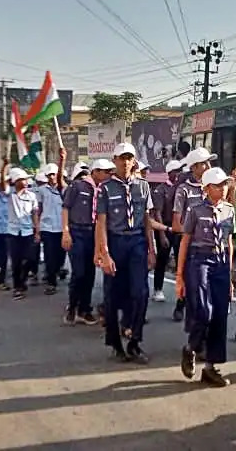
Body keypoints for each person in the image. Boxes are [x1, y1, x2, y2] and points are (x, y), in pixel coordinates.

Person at [96, 142, 156, 364]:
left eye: (129, 158)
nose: (125, 162)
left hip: (137, 242)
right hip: (116, 242)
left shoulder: (143, 186)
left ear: (134, 160)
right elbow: (101, 223)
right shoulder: (105, 189)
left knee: (141, 293)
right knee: (112, 297)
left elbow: (148, 221)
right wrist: (104, 253)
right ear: (114, 160)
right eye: (121, 158)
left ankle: (135, 342)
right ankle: (114, 343)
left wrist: (152, 249)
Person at [176, 166, 235, 387]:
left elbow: (228, 242)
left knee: (220, 314)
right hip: (199, 261)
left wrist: (229, 278)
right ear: (208, 188)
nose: (223, 188)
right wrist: (180, 276)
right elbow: (185, 241)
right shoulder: (195, 210)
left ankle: (211, 367)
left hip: (220, 263)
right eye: (219, 185)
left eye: (224, 184)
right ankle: (191, 348)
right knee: (203, 310)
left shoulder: (229, 210)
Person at [62, 159, 112, 325]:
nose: (108, 175)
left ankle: (85, 309)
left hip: (94, 233)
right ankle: (72, 307)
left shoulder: (103, 190)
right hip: (77, 232)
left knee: (90, 273)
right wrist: (66, 232)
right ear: (96, 171)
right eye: (105, 172)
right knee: (79, 272)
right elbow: (66, 208)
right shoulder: (78, 186)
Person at [172, 147, 217, 322]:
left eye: (208, 162)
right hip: (188, 242)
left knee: (204, 289)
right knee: (187, 280)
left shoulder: (213, 187)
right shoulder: (184, 190)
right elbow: (177, 221)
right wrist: (190, 233)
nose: (208, 166)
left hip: (208, 245)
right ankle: (181, 305)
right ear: (194, 167)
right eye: (204, 163)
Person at [5, 166, 40, 300]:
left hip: (27, 231)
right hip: (13, 232)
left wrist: (37, 231)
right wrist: (5, 166)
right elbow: (3, 185)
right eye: (22, 179)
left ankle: (23, 280)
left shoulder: (31, 195)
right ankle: (17, 287)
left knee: (30, 258)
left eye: (26, 179)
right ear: (15, 181)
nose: (25, 182)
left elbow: (35, 214)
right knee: (16, 261)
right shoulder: (10, 194)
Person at [151, 159, 184, 303]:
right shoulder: (161, 189)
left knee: (181, 260)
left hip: (180, 228)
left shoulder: (182, 188)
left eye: (179, 171)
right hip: (165, 226)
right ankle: (158, 289)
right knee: (162, 259)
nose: (178, 174)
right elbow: (158, 212)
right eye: (176, 172)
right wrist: (162, 234)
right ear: (169, 173)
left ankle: (181, 294)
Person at [36, 162, 67, 295]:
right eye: (49, 175)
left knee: (61, 255)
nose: (52, 177)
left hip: (61, 227)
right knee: (49, 255)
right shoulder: (42, 190)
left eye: (54, 174)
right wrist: (37, 228)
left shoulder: (65, 190)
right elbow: (38, 209)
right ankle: (51, 282)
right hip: (47, 227)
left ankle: (56, 270)